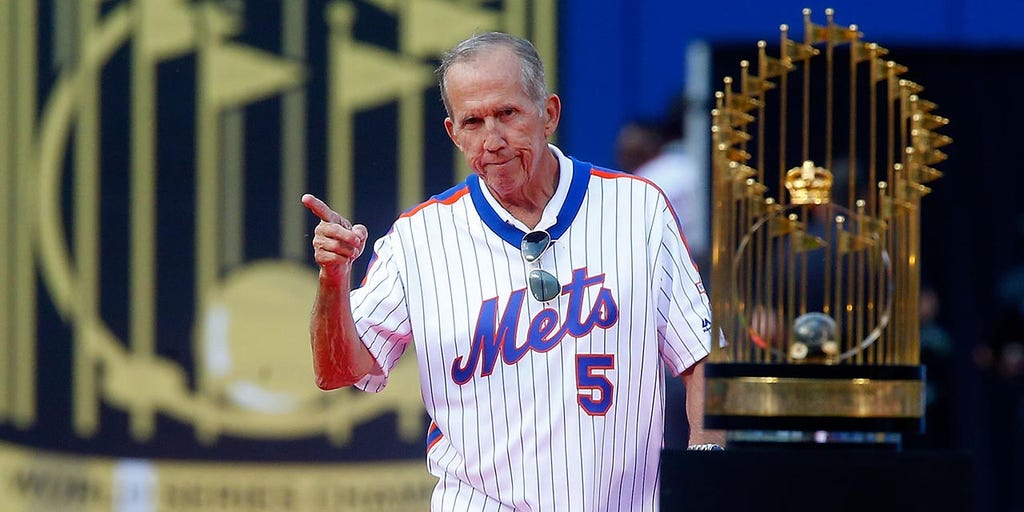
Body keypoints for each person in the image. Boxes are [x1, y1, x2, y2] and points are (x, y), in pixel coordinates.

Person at [301, 31, 722, 511]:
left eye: (508, 114)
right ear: (452, 133)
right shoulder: (417, 239)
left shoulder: (636, 209)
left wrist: (705, 468)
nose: (493, 140)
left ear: (549, 114)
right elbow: (339, 372)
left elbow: (701, 356)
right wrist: (334, 280)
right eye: (473, 122)